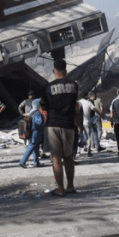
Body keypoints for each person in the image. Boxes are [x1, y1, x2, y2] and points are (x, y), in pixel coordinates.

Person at [40, 60, 81, 196]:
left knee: (56, 157)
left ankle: (60, 189)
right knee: (69, 156)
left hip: (53, 124)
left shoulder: (48, 87)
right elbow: (75, 105)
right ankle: (70, 186)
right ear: (66, 71)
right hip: (69, 124)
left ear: (54, 71)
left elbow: (43, 106)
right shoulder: (74, 86)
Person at [18, 99, 45, 168]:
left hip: (32, 132)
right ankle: (22, 162)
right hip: (36, 132)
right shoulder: (37, 113)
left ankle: (36, 162)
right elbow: (39, 122)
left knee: (35, 147)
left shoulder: (31, 112)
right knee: (31, 146)